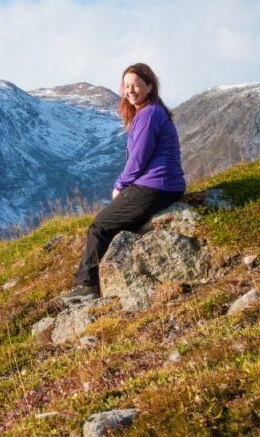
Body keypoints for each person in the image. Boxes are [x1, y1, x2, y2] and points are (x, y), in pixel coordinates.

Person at [61, 62, 186, 302]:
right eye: (127, 86)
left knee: (100, 225)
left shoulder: (149, 114)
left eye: (136, 85)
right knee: (115, 222)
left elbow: (138, 158)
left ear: (150, 86)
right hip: (166, 185)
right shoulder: (152, 111)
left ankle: (86, 285)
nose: (131, 91)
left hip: (155, 186)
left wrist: (120, 185)